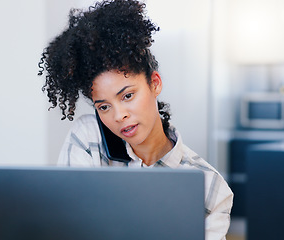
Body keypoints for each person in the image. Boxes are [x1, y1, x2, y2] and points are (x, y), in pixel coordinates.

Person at [38, 0, 233, 239]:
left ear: (155, 83)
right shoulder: (89, 139)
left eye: (127, 95)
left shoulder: (210, 188)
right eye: (104, 106)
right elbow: (67, 228)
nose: (119, 115)